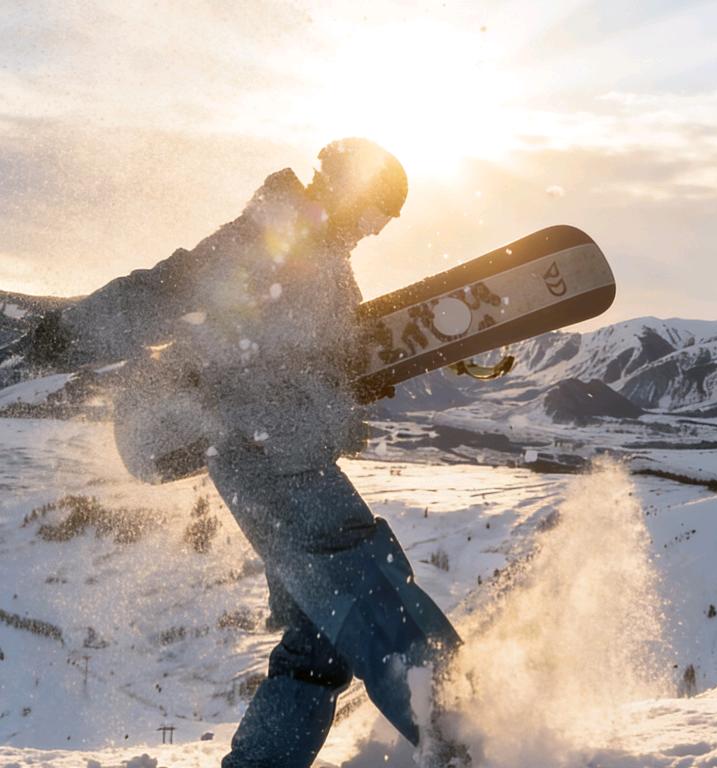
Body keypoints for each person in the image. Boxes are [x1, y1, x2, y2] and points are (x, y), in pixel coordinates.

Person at [14, 139, 469, 766]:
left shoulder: (330, 270)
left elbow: (309, 362)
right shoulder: (267, 238)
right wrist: (67, 334)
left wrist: (351, 382)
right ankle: (464, 738)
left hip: (278, 445)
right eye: (373, 215)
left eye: (383, 224)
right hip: (264, 451)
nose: (373, 232)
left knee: (319, 640)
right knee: (365, 587)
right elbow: (160, 293)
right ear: (344, 191)